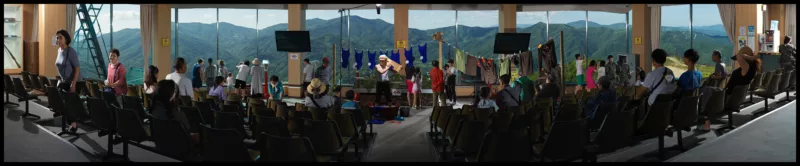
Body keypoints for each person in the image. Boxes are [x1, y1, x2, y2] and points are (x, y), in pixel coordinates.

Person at [55, 29, 86, 132]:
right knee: (57, 95)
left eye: (60, 37)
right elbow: (61, 67)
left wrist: (73, 84)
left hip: (76, 81)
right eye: (57, 38)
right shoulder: (59, 51)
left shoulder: (71, 51)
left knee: (69, 103)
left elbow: (77, 68)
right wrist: (61, 80)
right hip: (65, 81)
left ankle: (73, 125)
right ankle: (63, 113)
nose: (58, 39)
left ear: (66, 39)